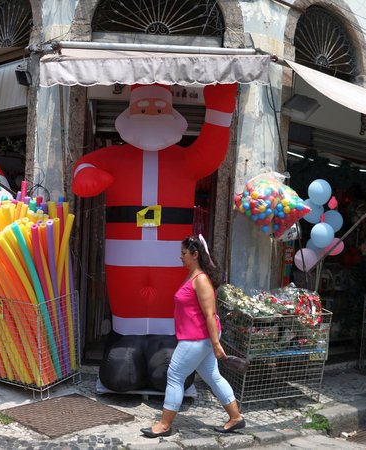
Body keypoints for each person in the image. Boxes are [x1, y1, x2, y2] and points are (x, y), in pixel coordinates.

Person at [72, 82, 238, 393]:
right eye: (143, 107)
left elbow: (211, 154)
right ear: (128, 112)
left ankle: (166, 344)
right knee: (122, 374)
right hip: (125, 271)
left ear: (172, 112)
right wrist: (85, 175)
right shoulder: (114, 157)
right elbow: (85, 165)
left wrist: (219, 110)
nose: (151, 113)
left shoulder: (184, 160)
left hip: (171, 273)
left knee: (166, 370)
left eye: (159, 107)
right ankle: (125, 339)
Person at [141, 235, 245, 438]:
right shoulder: (193, 275)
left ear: (195, 254)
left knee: (175, 376)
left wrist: (215, 344)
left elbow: (210, 314)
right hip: (197, 337)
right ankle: (236, 418)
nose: (180, 257)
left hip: (197, 338)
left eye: (183, 253)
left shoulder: (201, 280)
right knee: (212, 377)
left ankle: (164, 425)